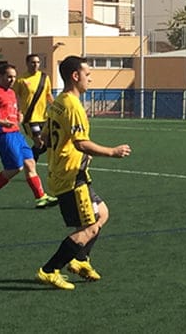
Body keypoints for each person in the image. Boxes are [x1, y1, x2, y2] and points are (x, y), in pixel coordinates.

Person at [35, 55, 132, 291]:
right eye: (87, 74)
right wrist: (112, 151)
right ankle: (49, 270)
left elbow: (45, 137)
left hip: (68, 173)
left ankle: (80, 259)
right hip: (70, 176)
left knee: (103, 213)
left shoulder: (58, 102)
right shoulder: (73, 106)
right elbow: (81, 143)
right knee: (90, 227)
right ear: (75, 76)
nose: (90, 78)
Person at [0, 63, 56, 211]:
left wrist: (19, 116)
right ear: (0, 77)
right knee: (15, 167)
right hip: (2, 134)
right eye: (9, 77)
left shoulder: (11, 93)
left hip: (15, 133)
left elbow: (13, 110)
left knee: (30, 163)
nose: (12, 80)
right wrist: (0, 122)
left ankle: (40, 198)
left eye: (14, 77)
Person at [14, 53, 54, 160]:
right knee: (39, 142)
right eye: (33, 62)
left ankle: (28, 162)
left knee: (46, 144)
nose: (35, 64)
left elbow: (48, 94)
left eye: (37, 62)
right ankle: (28, 164)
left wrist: (55, 107)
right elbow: (13, 96)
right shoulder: (21, 79)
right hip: (30, 118)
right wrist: (17, 111)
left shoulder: (45, 77)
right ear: (27, 63)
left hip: (44, 117)